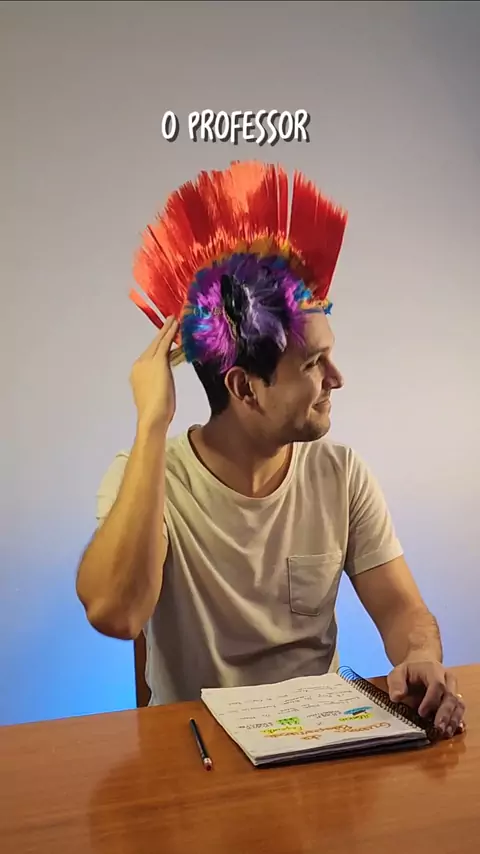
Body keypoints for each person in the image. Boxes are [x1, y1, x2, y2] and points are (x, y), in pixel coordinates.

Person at [76, 161, 465, 738]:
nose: (337, 379)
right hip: (196, 757)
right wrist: (152, 423)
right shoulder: (147, 479)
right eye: (313, 364)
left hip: (320, 749)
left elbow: (403, 611)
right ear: (244, 388)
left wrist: (420, 655)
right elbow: (117, 613)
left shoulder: (341, 473)